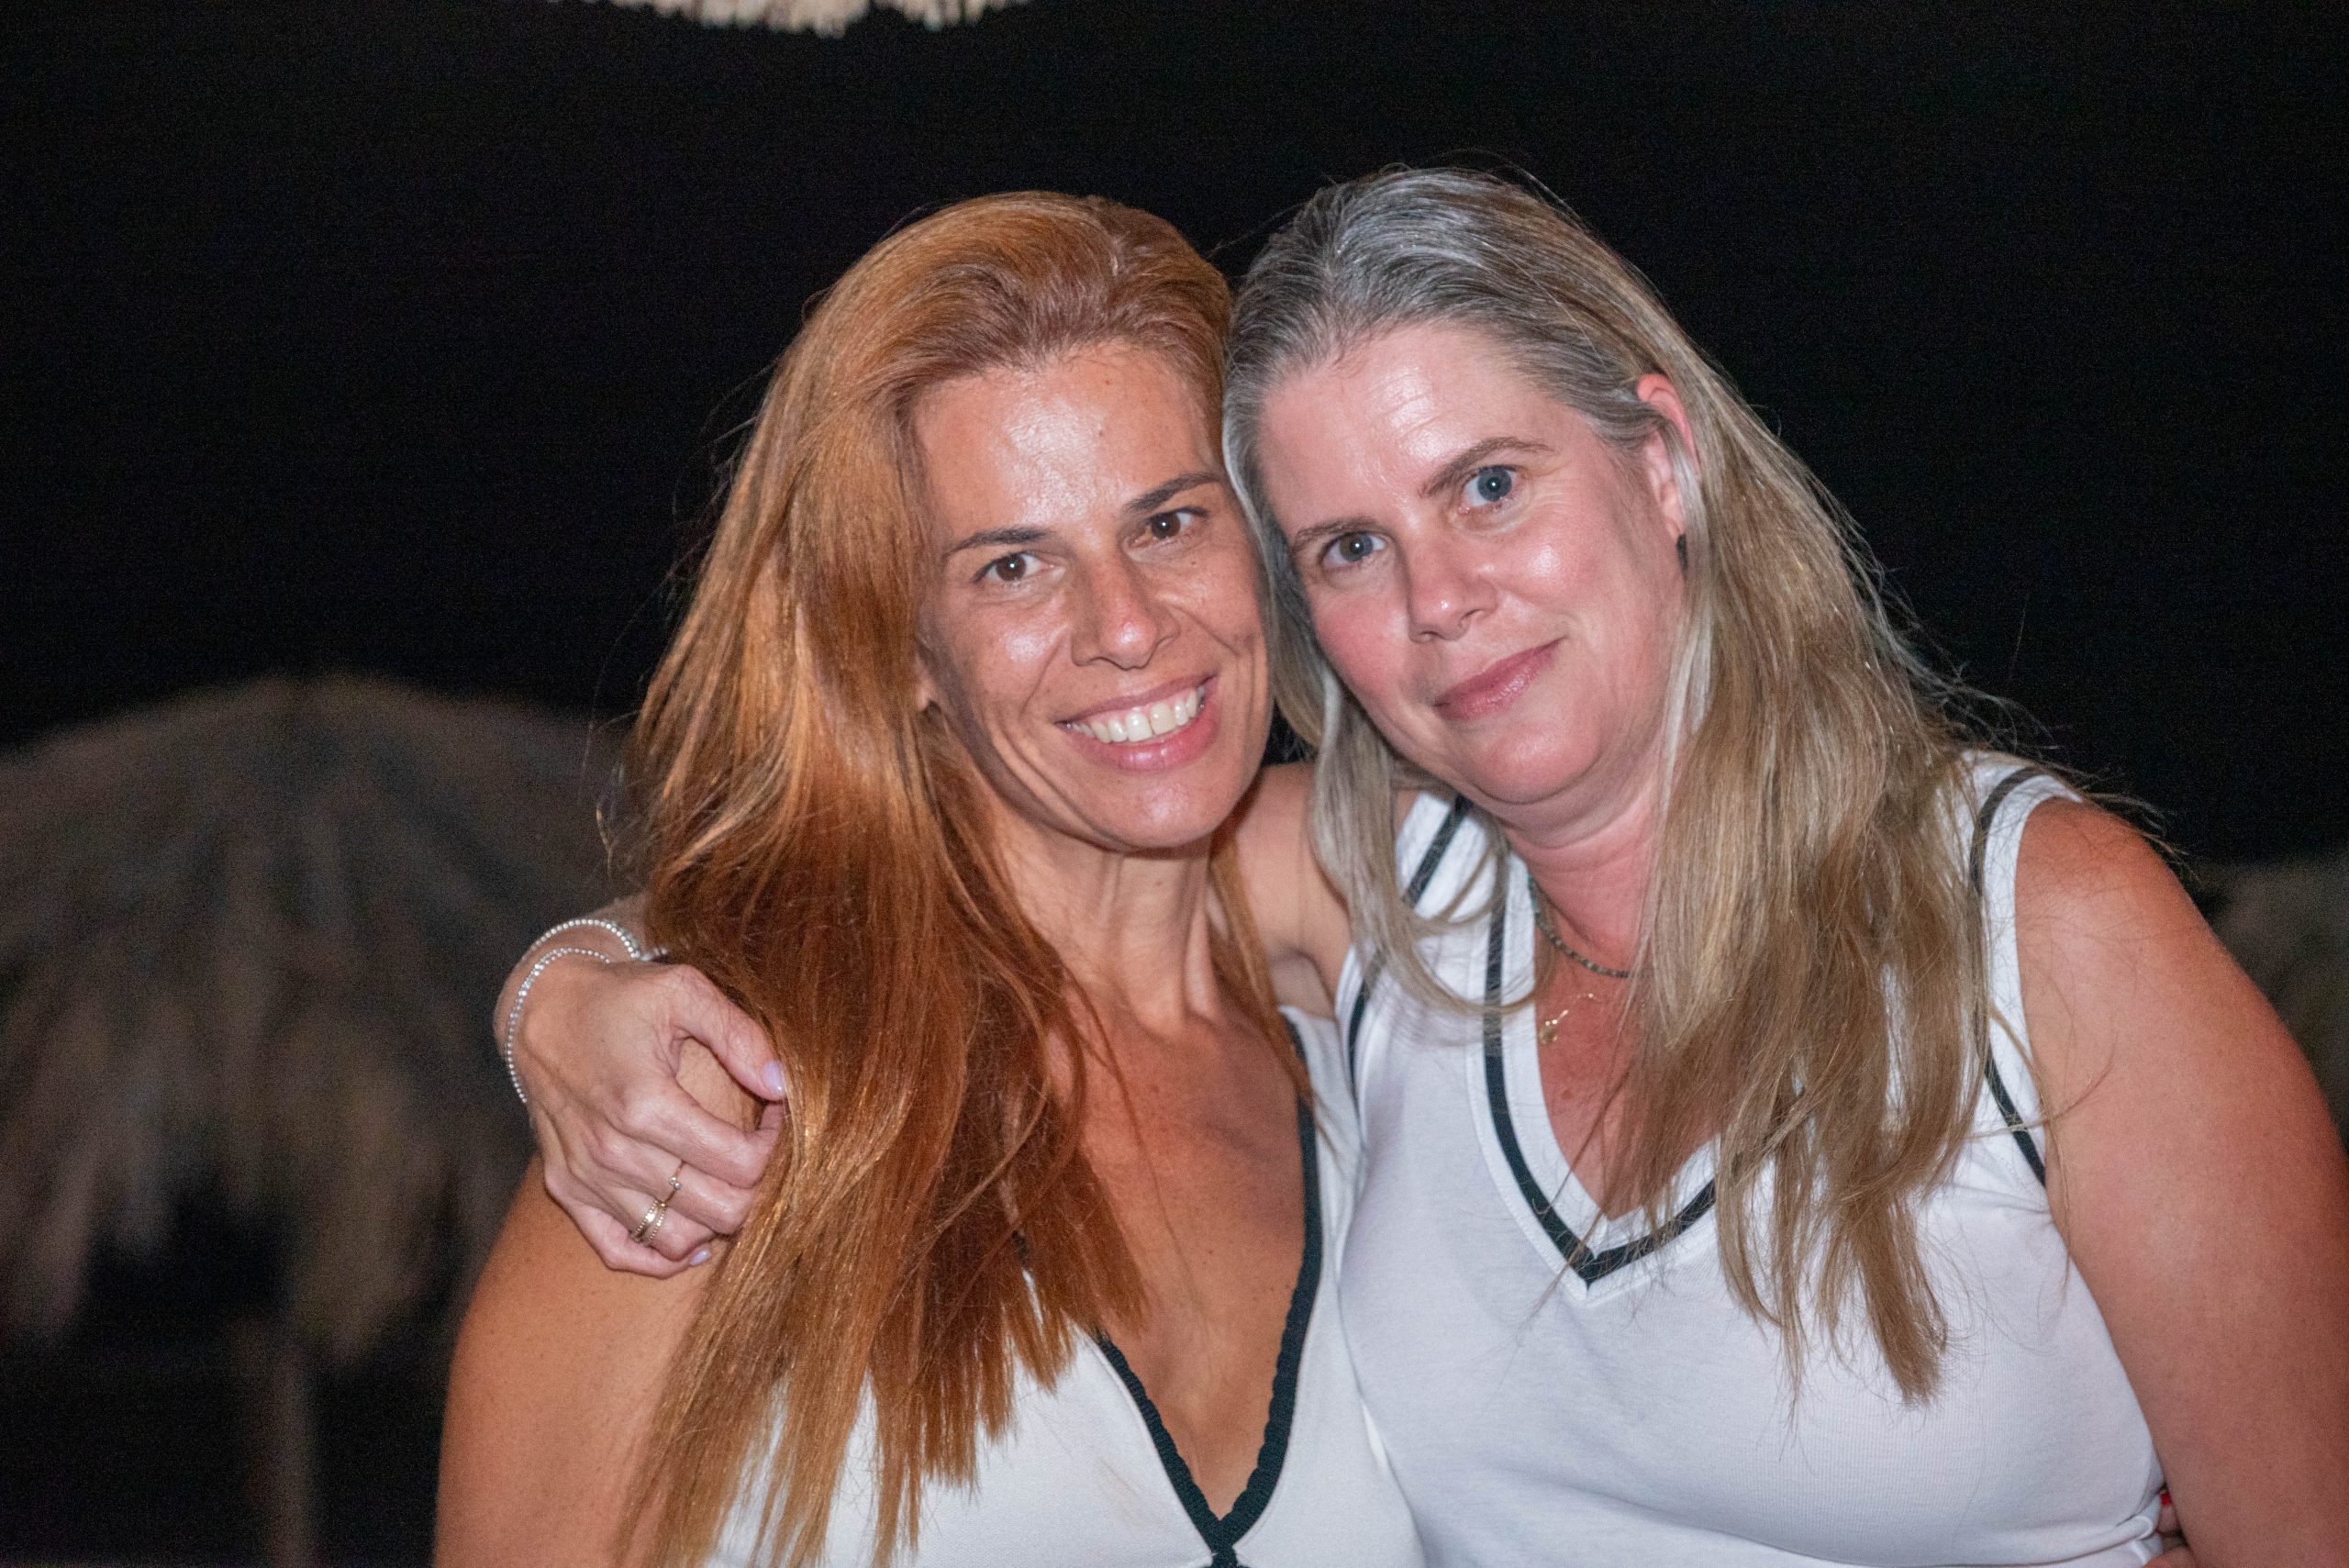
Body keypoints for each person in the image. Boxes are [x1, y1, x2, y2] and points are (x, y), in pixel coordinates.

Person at [498, 171, 2349, 1564]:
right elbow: (925, 895)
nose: (1442, 596)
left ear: (1662, 459)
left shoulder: (2034, 928)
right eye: (1351, 545)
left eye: (1487, 485)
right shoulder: (1369, 911)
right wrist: (565, 988)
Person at [436, 193, 1426, 1568]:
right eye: (1014, 564)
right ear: (899, 650)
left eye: (1168, 522)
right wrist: (565, 981)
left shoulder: (1380, 1047)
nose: (1127, 625)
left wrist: (555, 972)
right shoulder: (714, 1114)